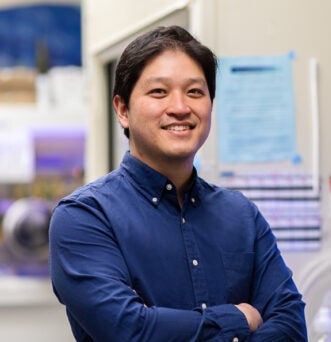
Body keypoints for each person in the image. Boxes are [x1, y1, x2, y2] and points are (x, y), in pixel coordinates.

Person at [49, 25, 307, 341]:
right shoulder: (85, 217)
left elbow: (291, 326)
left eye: (194, 92)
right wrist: (239, 317)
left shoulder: (241, 215)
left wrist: (164, 324)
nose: (180, 107)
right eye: (159, 91)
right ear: (122, 110)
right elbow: (131, 331)